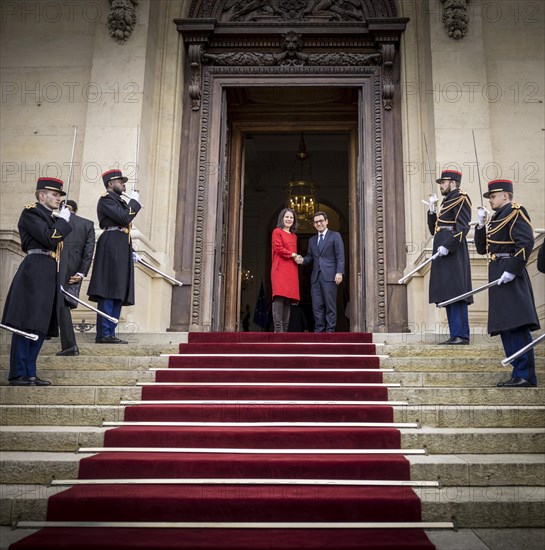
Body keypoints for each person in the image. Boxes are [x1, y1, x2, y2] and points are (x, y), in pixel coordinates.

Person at [2, 178, 72, 386]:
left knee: (40, 323)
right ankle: (18, 373)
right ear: (42, 196)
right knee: (27, 322)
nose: (59, 199)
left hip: (49, 269)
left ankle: (30, 371)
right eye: (55, 195)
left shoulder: (52, 217)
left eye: (59, 195)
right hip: (35, 268)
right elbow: (48, 238)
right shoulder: (31, 212)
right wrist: (64, 222)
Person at [474, 179, 540, 387]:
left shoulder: (516, 211)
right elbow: (482, 249)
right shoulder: (496, 218)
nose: (491, 200)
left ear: (505, 195)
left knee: (517, 323)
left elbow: (526, 242)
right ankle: (517, 372)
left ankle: (526, 374)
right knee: (506, 325)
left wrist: (512, 269)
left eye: (493, 196)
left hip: (510, 273)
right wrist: (481, 225)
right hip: (497, 273)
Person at [88, 169, 141, 344]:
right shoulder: (106, 199)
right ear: (110, 184)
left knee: (119, 289)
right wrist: (134, 203)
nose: (124, 185)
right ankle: (103, 333)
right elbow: (123, 218)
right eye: (120, 181)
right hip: (111, 243)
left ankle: (110, 331)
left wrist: (130, 250)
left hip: (121, 244)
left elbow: (125, 226)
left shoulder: (118, 200)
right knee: (108, 288)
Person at [428, 169, 473, 345]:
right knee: (447, 292)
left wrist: (448, 246)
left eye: (443, 182)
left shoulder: (461, 198)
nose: (441, 185)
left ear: (453, 182)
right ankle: (456, 333)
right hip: (442, 251)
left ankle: (461, 334)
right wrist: (432, 210)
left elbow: (462, 228)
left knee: (457, 292)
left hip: (453, 252)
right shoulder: (447, 201)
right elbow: (435, 230)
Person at [56, 200, 95, 356]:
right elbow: (89, 252)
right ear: (76, 210)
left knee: (53, 303)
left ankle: (66, 343)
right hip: (71, 270)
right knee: (62, 304)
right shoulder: (87, 224)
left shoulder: (54, 220)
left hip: (52, 265)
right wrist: (81, 272)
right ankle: (68, 344)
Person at [299, 211, 345, 332]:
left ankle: (330, 331)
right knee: (317, 306)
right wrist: (302, 260)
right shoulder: (312, 240)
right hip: (315, 278)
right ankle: (319, 330)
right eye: (316, 222)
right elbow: (310, 257)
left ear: (326, 222)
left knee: (330, 306)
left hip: (330, 276)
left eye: (321, 221)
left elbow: (340, 256)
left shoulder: (335, 236)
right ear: (314, 224)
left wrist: (339, 272)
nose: (319, 223)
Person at [271, 208, 300, 332]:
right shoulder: (277, 231)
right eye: (287, 217)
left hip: (291, 269)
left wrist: (298, 258)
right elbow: (278, 248)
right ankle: (278, 329)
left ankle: (285, 329)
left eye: (291, 218)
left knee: (288, 298)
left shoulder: (294, 236)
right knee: (279, 297)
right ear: (282, 218)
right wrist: (293, 255)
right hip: (279, 268)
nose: (289, 219)